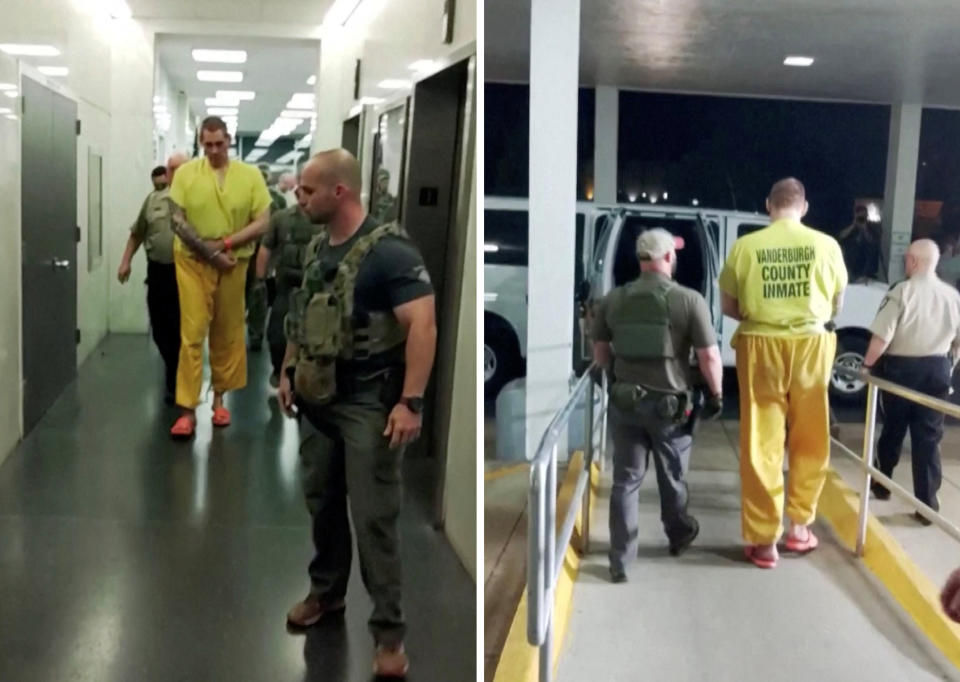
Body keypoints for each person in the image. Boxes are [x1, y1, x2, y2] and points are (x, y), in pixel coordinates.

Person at [279, 149, 436, 678]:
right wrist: (288, 370)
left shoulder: (389, 253)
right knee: (322, 503)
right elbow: (303, 316)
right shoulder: (318, 248)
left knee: (373, 519)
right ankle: (327, 595)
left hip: (369, 403)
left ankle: (389, 635)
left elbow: (423, 326)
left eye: (306, 190)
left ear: (338, 192)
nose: (298, 199)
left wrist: (409, 401)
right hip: (317, 400)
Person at [719, 177, 847, 569]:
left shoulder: (746, 246)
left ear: (768, 205)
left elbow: (729, 305)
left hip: (760, 345)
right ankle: (799, 527)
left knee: (762, 440)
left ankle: (763, 541)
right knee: (810, 438)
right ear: (803, 207)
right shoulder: (827, 245)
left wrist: (766, 317)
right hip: (812, 344)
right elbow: (836, 306)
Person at [592, 228, 724, 583]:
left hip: (625, 406)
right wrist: (716, 395)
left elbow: (601, 354)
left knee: (625, 482)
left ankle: (620, 561)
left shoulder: (613, 300)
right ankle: (679, 533)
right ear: (667, 258)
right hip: (669, 410)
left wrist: (616, 377)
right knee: (673, 478)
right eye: (674, 254)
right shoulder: (687, 300)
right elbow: (709, 356)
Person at [165, 116, 272, 438]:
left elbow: (263, 221)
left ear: (229, 140)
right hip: (192, 261)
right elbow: (177, 220)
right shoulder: (186, 174)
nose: (213, 150)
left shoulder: (249, 176)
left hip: (234, 262)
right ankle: (187, 410)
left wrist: (226, 245)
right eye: (207, 144)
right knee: (192, 332)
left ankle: (219, 401)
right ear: (200, 142)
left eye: (219, 143)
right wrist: (210, 253)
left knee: (227, 331)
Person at [862, 239, 960, 524]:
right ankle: (927, 504)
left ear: (915, 262)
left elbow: (882, 337)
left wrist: (867, 366)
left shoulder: (902, 292)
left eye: (907, 259)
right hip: (937, 370)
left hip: (900, 371)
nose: (905, 263)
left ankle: (882, 484)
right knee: (929, 437)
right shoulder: (953, 296)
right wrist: (948, 366)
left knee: (893, 427)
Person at [117, 153, 188, 404]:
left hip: (187, 274)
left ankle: (176, 381)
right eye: (170, 168)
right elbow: (137, 233)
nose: (173, 172)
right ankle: (172, 364)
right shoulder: (154, 199)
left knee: (181, 329)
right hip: (158, 272)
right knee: (160, 329)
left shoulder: (198, 198)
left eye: (178, 167)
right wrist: (126, 261)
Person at [256, 186, 321, 385]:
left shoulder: (324, 220)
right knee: (276, 335)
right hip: (286, 287)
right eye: (303, 191)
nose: (305, 197)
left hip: (316, 288)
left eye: (311, 191)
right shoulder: (281, 218)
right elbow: (266, 247)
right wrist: (260, 279)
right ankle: (279, 371)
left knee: (317, 338)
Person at [246, 166, 288, 351]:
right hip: (243, 250)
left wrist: (274, 259)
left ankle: (256, 334)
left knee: (257, 293)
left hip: (264, 251)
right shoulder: (243, 196)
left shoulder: (276, 200)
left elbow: (281, 227)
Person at [837, 204, 881, 281]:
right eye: (859, 217)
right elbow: (841, 236)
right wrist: (853, 224)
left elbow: (872, 241)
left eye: (863, 216)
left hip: (866, 266)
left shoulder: (871, 227)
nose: (861, 219)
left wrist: (865, 229)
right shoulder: (850, 226)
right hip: (850, 264)